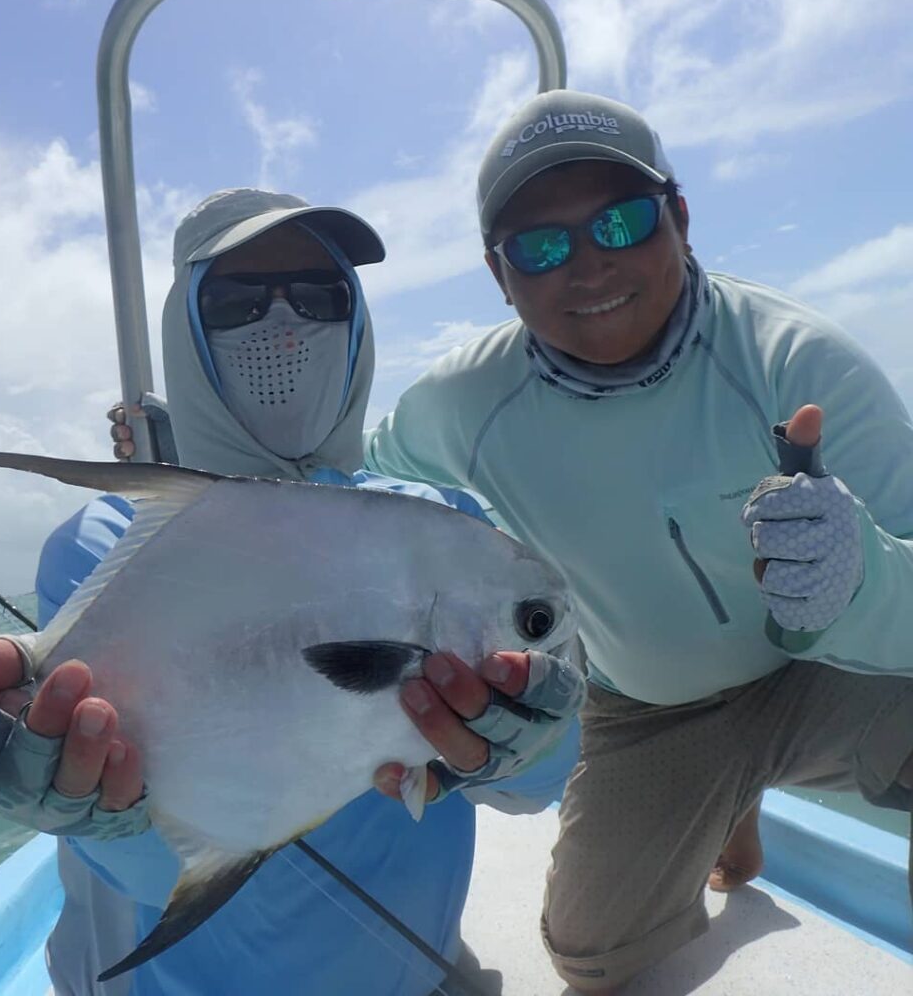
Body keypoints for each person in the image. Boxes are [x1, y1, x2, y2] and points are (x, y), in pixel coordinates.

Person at [0, 188, 583, 996]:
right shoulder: (106, 535)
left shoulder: (448, 522)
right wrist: (95, 807)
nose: (283, 325)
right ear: (186, 327)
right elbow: (146, 867)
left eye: (319, 296)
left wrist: (533, 741)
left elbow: (539, 790)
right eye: (239, 301)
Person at [362, 90, 913, 993]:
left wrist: (864, 579)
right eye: (541, 246)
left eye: (622, 221)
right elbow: (349, 495)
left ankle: (733, 792)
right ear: (501, 277)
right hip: (653, 707)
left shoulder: (799, 363)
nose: (588, 266)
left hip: (833, 672)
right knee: (593, 956)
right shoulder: (463, 406)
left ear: (681, 219)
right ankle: (726, 799)